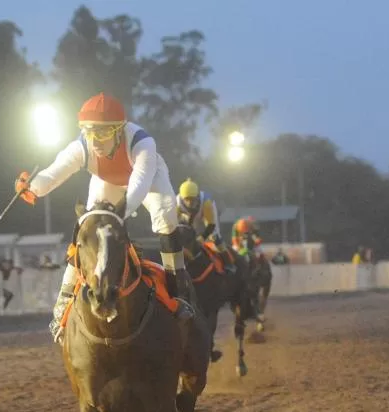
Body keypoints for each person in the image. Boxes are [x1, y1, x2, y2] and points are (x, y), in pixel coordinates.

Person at [14, 92, 194, 342]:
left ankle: (178, 291)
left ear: (120, 130)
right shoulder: (82, 146)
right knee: (88, 226)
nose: (95, 140)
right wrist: (32, 186)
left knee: (165, 215)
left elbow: (139, 185)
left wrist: (117, 214)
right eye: (89, 132)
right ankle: (64, 299)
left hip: (149, 179)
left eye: (103, 132)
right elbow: (53, 173)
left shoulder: (143, 143)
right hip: (107, 181)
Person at [177, 178, 233, 266]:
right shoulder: (176, 204)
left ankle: (229, 264)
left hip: (205, 212)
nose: (190, 203)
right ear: (182, 198)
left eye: (192, 199)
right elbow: (175, 224)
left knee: (215, 236)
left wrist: (203, 237)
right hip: (188, 216)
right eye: (186, 199)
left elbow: (211, 224)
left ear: (197, 196)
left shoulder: (206, 202)